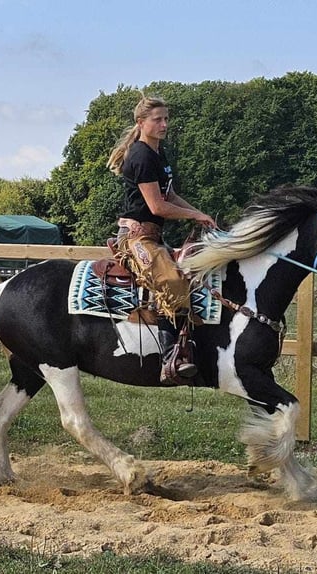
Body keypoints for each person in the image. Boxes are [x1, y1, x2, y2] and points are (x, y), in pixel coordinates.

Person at [106, 95, 216, 384]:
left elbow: (169, 195)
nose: (164, 124)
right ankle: (171, 357)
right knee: (172, 282)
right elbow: (156, 206)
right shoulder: (142, 156)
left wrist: (198, 212)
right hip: (136, 237)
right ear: (141, 122)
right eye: (158, 119)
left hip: (153, 235)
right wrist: (193, 216)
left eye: (166, 118)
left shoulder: (158, 153)